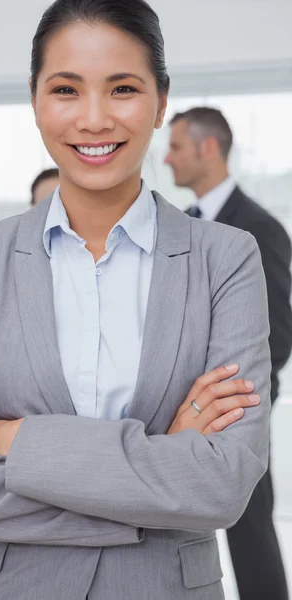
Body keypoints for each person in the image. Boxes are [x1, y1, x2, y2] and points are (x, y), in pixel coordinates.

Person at [0, 2, 271, 599]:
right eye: (66, 89)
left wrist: (18, 440)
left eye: (123, 88)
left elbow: (222, 486)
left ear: (160, 102)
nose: (95, 118)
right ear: (34, 100)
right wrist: (159, 465)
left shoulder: (226, 257)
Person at [165, 106, 292, 600]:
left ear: (207, 148)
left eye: (176, 146)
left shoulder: (259, 226)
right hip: (177, 411)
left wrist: (229, 399)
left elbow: (278, 337)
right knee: (174, 529)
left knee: (250, 532)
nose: (168, 159)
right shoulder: (179, 225)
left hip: (239, 409)